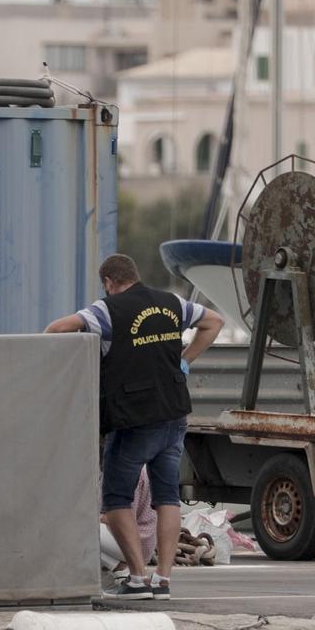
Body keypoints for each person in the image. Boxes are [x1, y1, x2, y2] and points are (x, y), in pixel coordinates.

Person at [46, 253, 223, 600]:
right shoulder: (171, 303)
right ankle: (164, 580)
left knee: (115, 500)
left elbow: (58, 329)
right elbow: (214, 321)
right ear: (135, 275)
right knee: (167, 498)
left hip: (134, 419)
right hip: (174, 414)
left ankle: (138, 579)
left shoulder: (107, 310)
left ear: (110, 282)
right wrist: (184, 361)